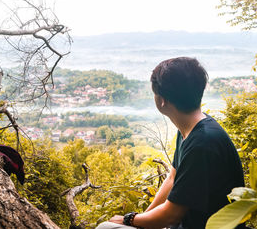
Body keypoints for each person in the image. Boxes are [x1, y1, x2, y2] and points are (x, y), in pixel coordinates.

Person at [96, 57, 245, 229]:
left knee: (104, 227)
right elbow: (173, 178)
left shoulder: (202, 144)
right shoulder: (191, 130)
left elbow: (170, 216)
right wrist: (141, 220)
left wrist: (129, 219)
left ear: (162, 100)